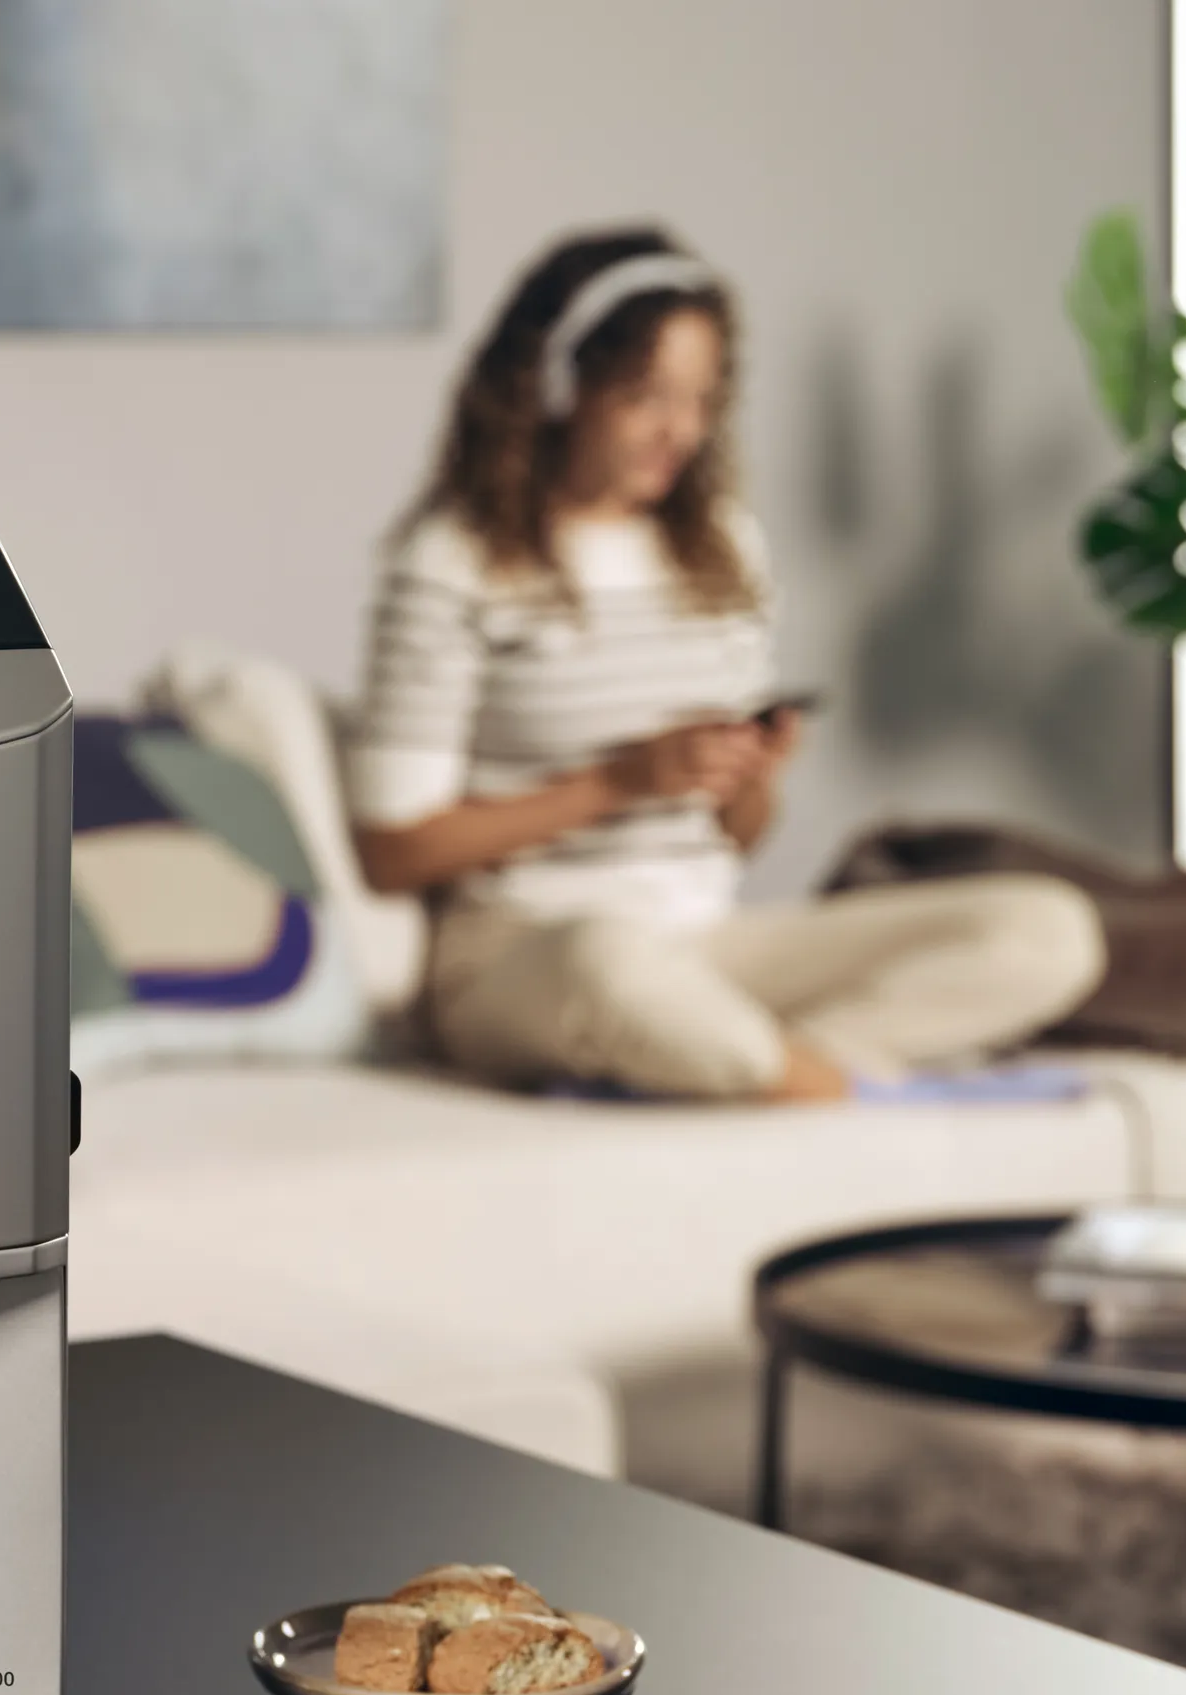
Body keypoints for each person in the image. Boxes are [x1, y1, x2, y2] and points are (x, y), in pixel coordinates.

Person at [349, 228, 1103, 1100]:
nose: (682, 432)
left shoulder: (722, 549)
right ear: (558, 388)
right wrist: (617, 782)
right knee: (612, 969)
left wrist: (748, 780)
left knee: (1048, 930)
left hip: (705, 945)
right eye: (647, 398)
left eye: (702, 400)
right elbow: (394, 853)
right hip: (526, 950)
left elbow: (737, 838)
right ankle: (821, 1083)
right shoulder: (455, 560)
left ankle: (761, 1071)